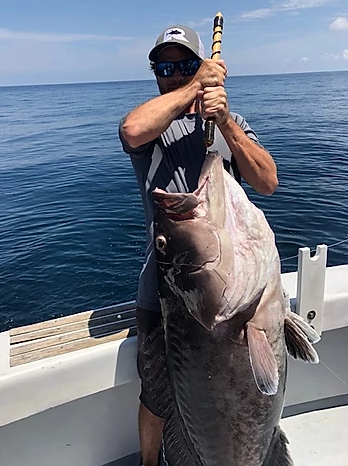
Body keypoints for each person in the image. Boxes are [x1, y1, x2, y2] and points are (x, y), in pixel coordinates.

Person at [119, 24, 278, 466]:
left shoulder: (229, 123)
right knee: (157, 391)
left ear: (201, 63)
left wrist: (225, 121)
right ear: (155, 73)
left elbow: (267, 181)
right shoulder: (154, 128)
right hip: (167, 288)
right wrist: (194, 84)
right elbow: (132, 129)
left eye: (185, 64)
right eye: (164, 67)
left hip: (228, 277)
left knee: (245, 393)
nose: (173, 74)